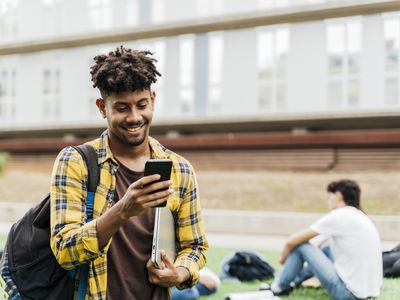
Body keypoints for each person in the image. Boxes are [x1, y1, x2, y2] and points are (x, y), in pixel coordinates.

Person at [50, 46, 208, 299]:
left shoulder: (180, 169)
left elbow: (195, 246)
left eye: (142, 105)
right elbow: (64, 251)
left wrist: (179, 273)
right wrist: (123, 210)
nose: (134, 117)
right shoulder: (76, 162)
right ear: (102, 108)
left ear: (153, 100)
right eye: (122, 108)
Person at [264, 179, 382, 299]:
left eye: (329, 197)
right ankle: (293, 282)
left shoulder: (339, 216)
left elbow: (292, 241)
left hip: (348, 294)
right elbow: (318, 244)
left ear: (338, 196)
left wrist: (283, 258)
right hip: (369, 293)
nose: (328, 201)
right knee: (326, 248)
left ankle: (278, 288)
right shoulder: (359, 216)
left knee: (302, 246)